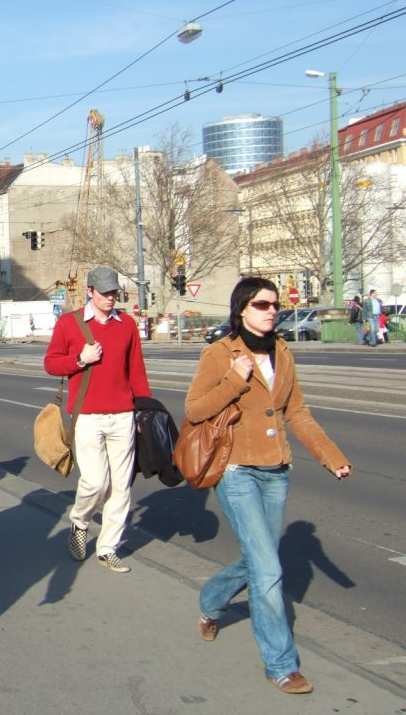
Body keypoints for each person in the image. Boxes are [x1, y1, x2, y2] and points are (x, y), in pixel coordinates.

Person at [185, 276, 352, 695]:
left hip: (277, 470)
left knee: (260, 562)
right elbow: (195, 409)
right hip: (236, 470)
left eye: (274, 304)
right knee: (268, 568)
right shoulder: (220, 353)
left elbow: (298, 413)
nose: (272, 310)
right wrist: (234, 381)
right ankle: (281, 665)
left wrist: (331, 457)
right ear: (242, 308)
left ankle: (210, 602)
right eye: (262, 304)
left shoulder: (282, 350)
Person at [44, 266, 151, 574]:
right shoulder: (69, 324)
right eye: (104, 293)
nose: (111, 298)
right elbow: (51, 364)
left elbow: (137, 371)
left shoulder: (126, 324)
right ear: (89, 292)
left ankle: (108, 548)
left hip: (123, 415)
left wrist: (142, 410)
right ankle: (79, 521)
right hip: (88, 416)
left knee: (121, 486)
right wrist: (80, 360)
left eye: (114, 292)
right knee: (94, 482)